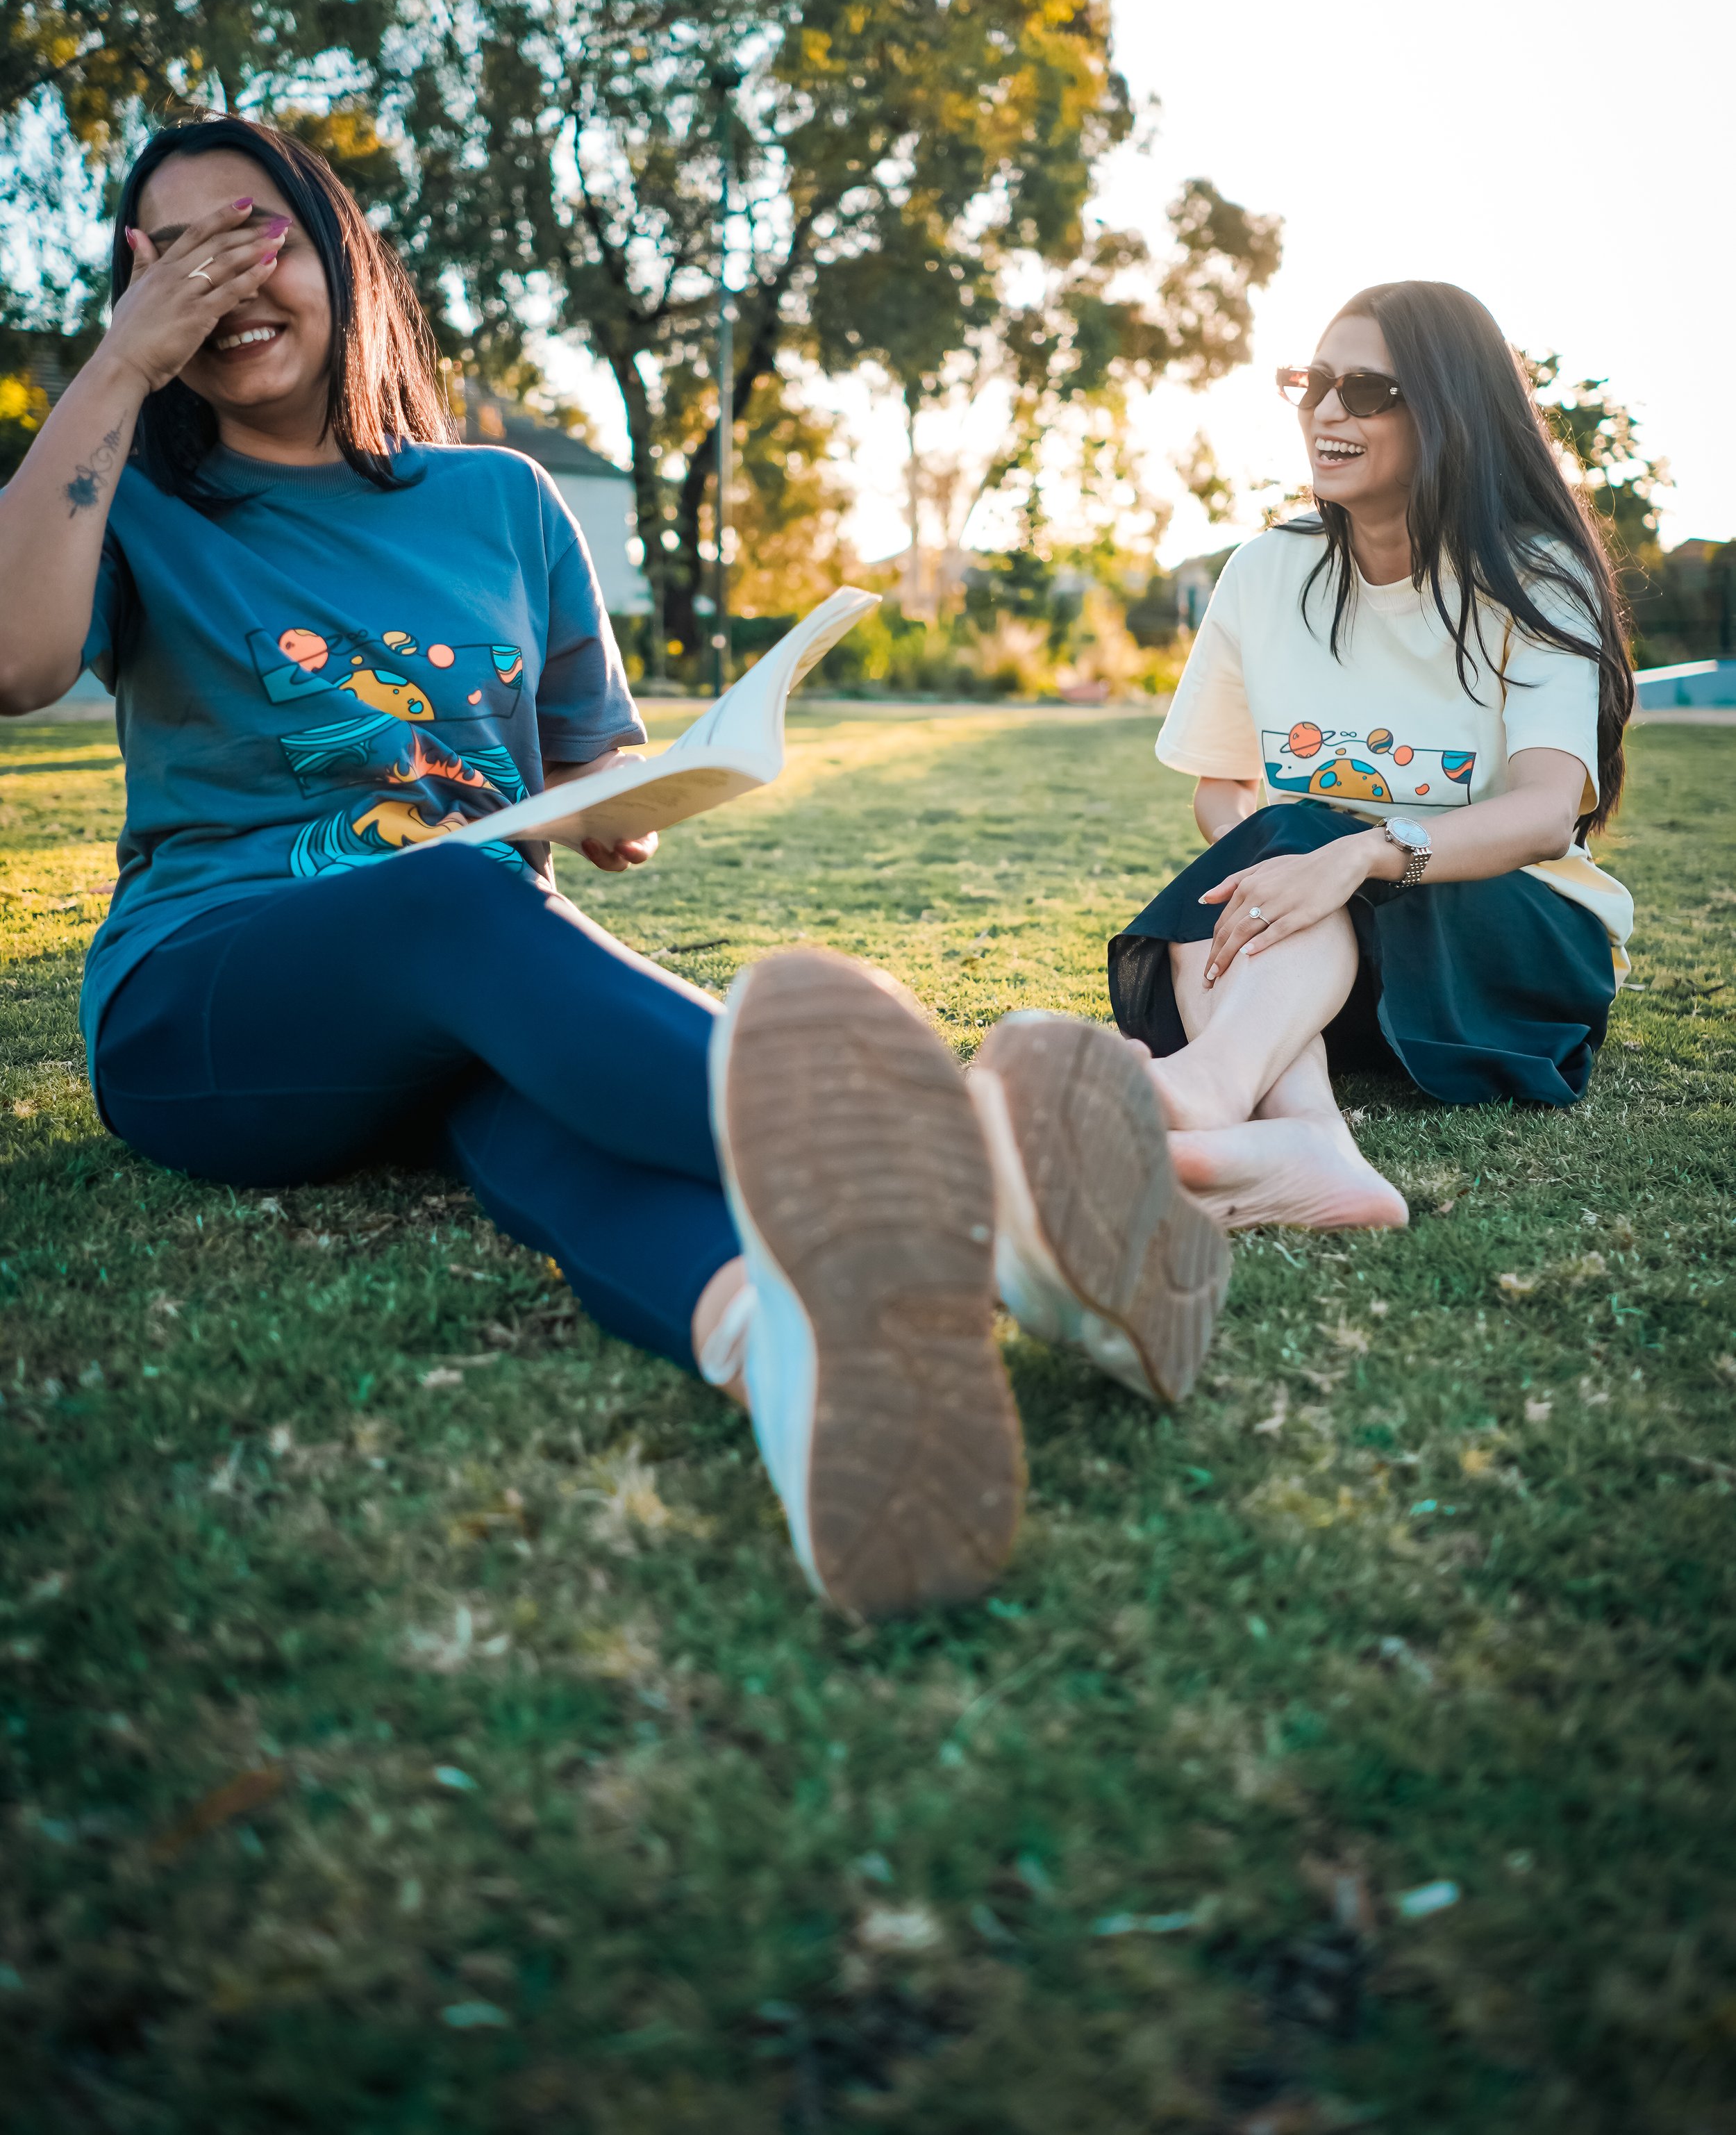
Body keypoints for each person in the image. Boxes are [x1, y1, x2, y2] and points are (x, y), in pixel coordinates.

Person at [0, 117, 1230, 1623]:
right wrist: (117, 367)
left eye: (251, 237)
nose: (217, 282)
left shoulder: (503, 500)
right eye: (170, 254)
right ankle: (996, 1189)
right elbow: (14, 659)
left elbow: (589, 761)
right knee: (459, 898)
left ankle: (791, 1373)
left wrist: (613, 804)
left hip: (465, 1009)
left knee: (542, 1116)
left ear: (336, 254)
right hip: (208, 1003)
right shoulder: (124, 494)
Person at [1108, 279, 1635, 1231]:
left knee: (1298, 838)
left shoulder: (1536, 575)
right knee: (1249, 866)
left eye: (1367, 391)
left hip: (1515, 949)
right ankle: (1305, 1136)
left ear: (1451, 410)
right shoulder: (1266, 570)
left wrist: (1354, 854)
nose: (1327, 412)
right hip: (1346, 978)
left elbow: (1547, 811)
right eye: (1313, 383)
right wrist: (1282, 870)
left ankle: (1212, 1089)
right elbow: (1222, 792)